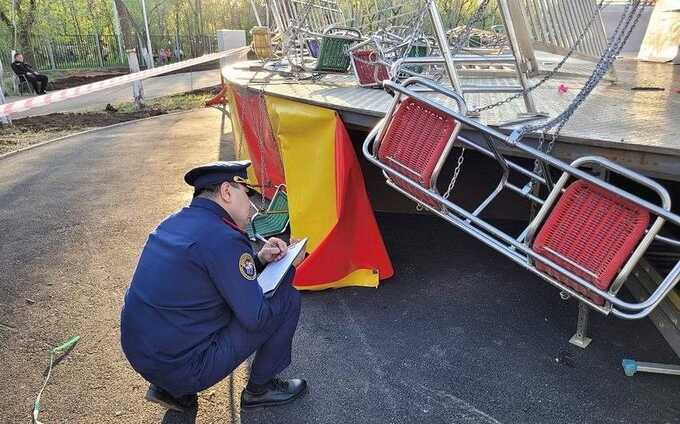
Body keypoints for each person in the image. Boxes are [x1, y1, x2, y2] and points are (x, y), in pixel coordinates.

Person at [120, 160, 307, 412]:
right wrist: (290, 265)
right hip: (181, 366)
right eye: (247, 194)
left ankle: (171, 390)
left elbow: (217, 273)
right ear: (227, 192)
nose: (252, 208)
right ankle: (260, 390)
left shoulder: (172, 222)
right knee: (287, 300)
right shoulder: (224, 237)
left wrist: (261, 259)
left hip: (142, 354)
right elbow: (258, 318)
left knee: (197, 304)